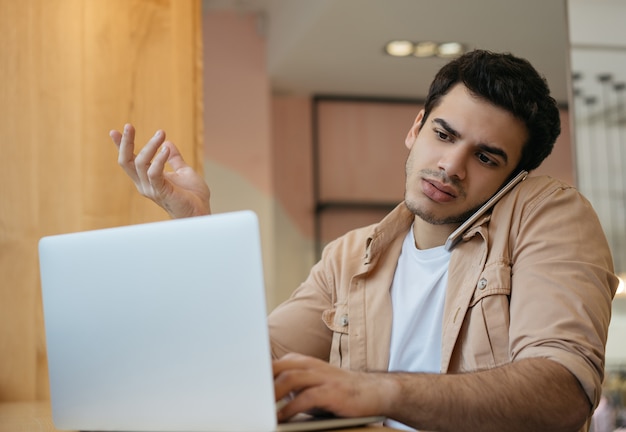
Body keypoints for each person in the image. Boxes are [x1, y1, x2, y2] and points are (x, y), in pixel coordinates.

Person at [110, 50, 618, 432]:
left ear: (515, 179)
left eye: (486, 158)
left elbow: (564, 390)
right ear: (415, 128)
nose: (451, 166)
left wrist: (378, 390)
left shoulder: (549, 213)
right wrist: (196, 226)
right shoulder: (351, 256)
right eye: (443, 135)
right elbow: (247, 366)